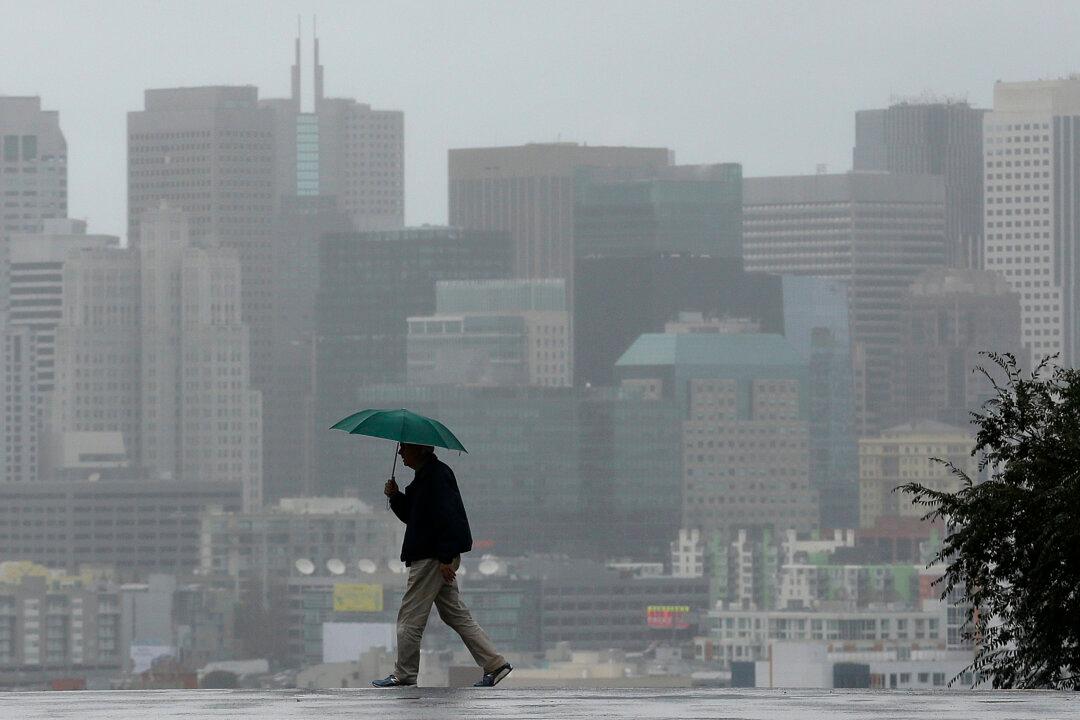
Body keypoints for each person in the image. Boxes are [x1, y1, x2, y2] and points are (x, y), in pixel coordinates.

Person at [371, 442, 513, 688]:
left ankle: (404, 674)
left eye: (404, 447)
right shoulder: (427, 477)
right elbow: (415, 518)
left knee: (410, 617)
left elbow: (449, 517)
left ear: (420, 449)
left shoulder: (435, 478)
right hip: (436, 556)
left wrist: (446, 557)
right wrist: (395, 497)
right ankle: (495, 664)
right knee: (454, 614)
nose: (400, 452)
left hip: (431, 558)